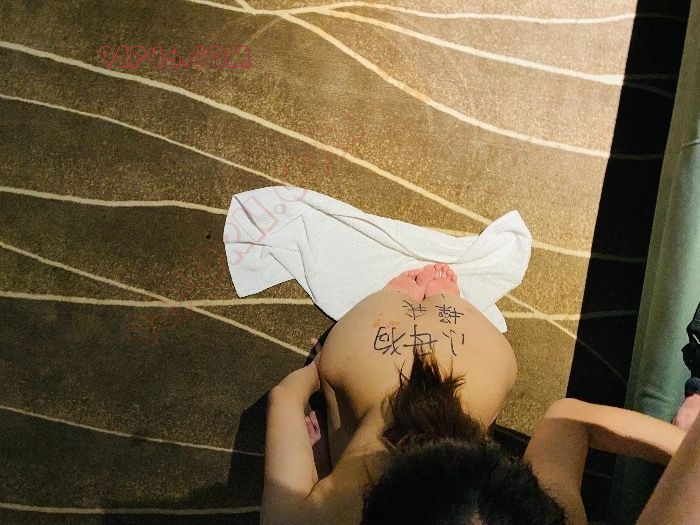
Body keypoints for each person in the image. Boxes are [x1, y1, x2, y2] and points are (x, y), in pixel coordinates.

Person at [260, 264, 687, 525]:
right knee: (356, 396)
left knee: (372, 350)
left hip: (451, 356)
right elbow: (285, 399)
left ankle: (418, 297)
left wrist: (315, 370)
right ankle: (432, 299)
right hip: (441, 355)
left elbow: (284, 396)